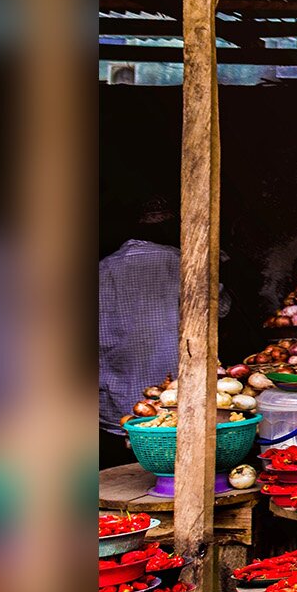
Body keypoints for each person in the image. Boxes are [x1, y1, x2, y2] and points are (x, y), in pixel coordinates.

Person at [98, 198, 230, 467]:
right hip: (175, 401)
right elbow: (221, 309)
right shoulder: (182, 262)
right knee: (179, 464)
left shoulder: (101, 270)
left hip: (116, 404)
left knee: (126, 473)